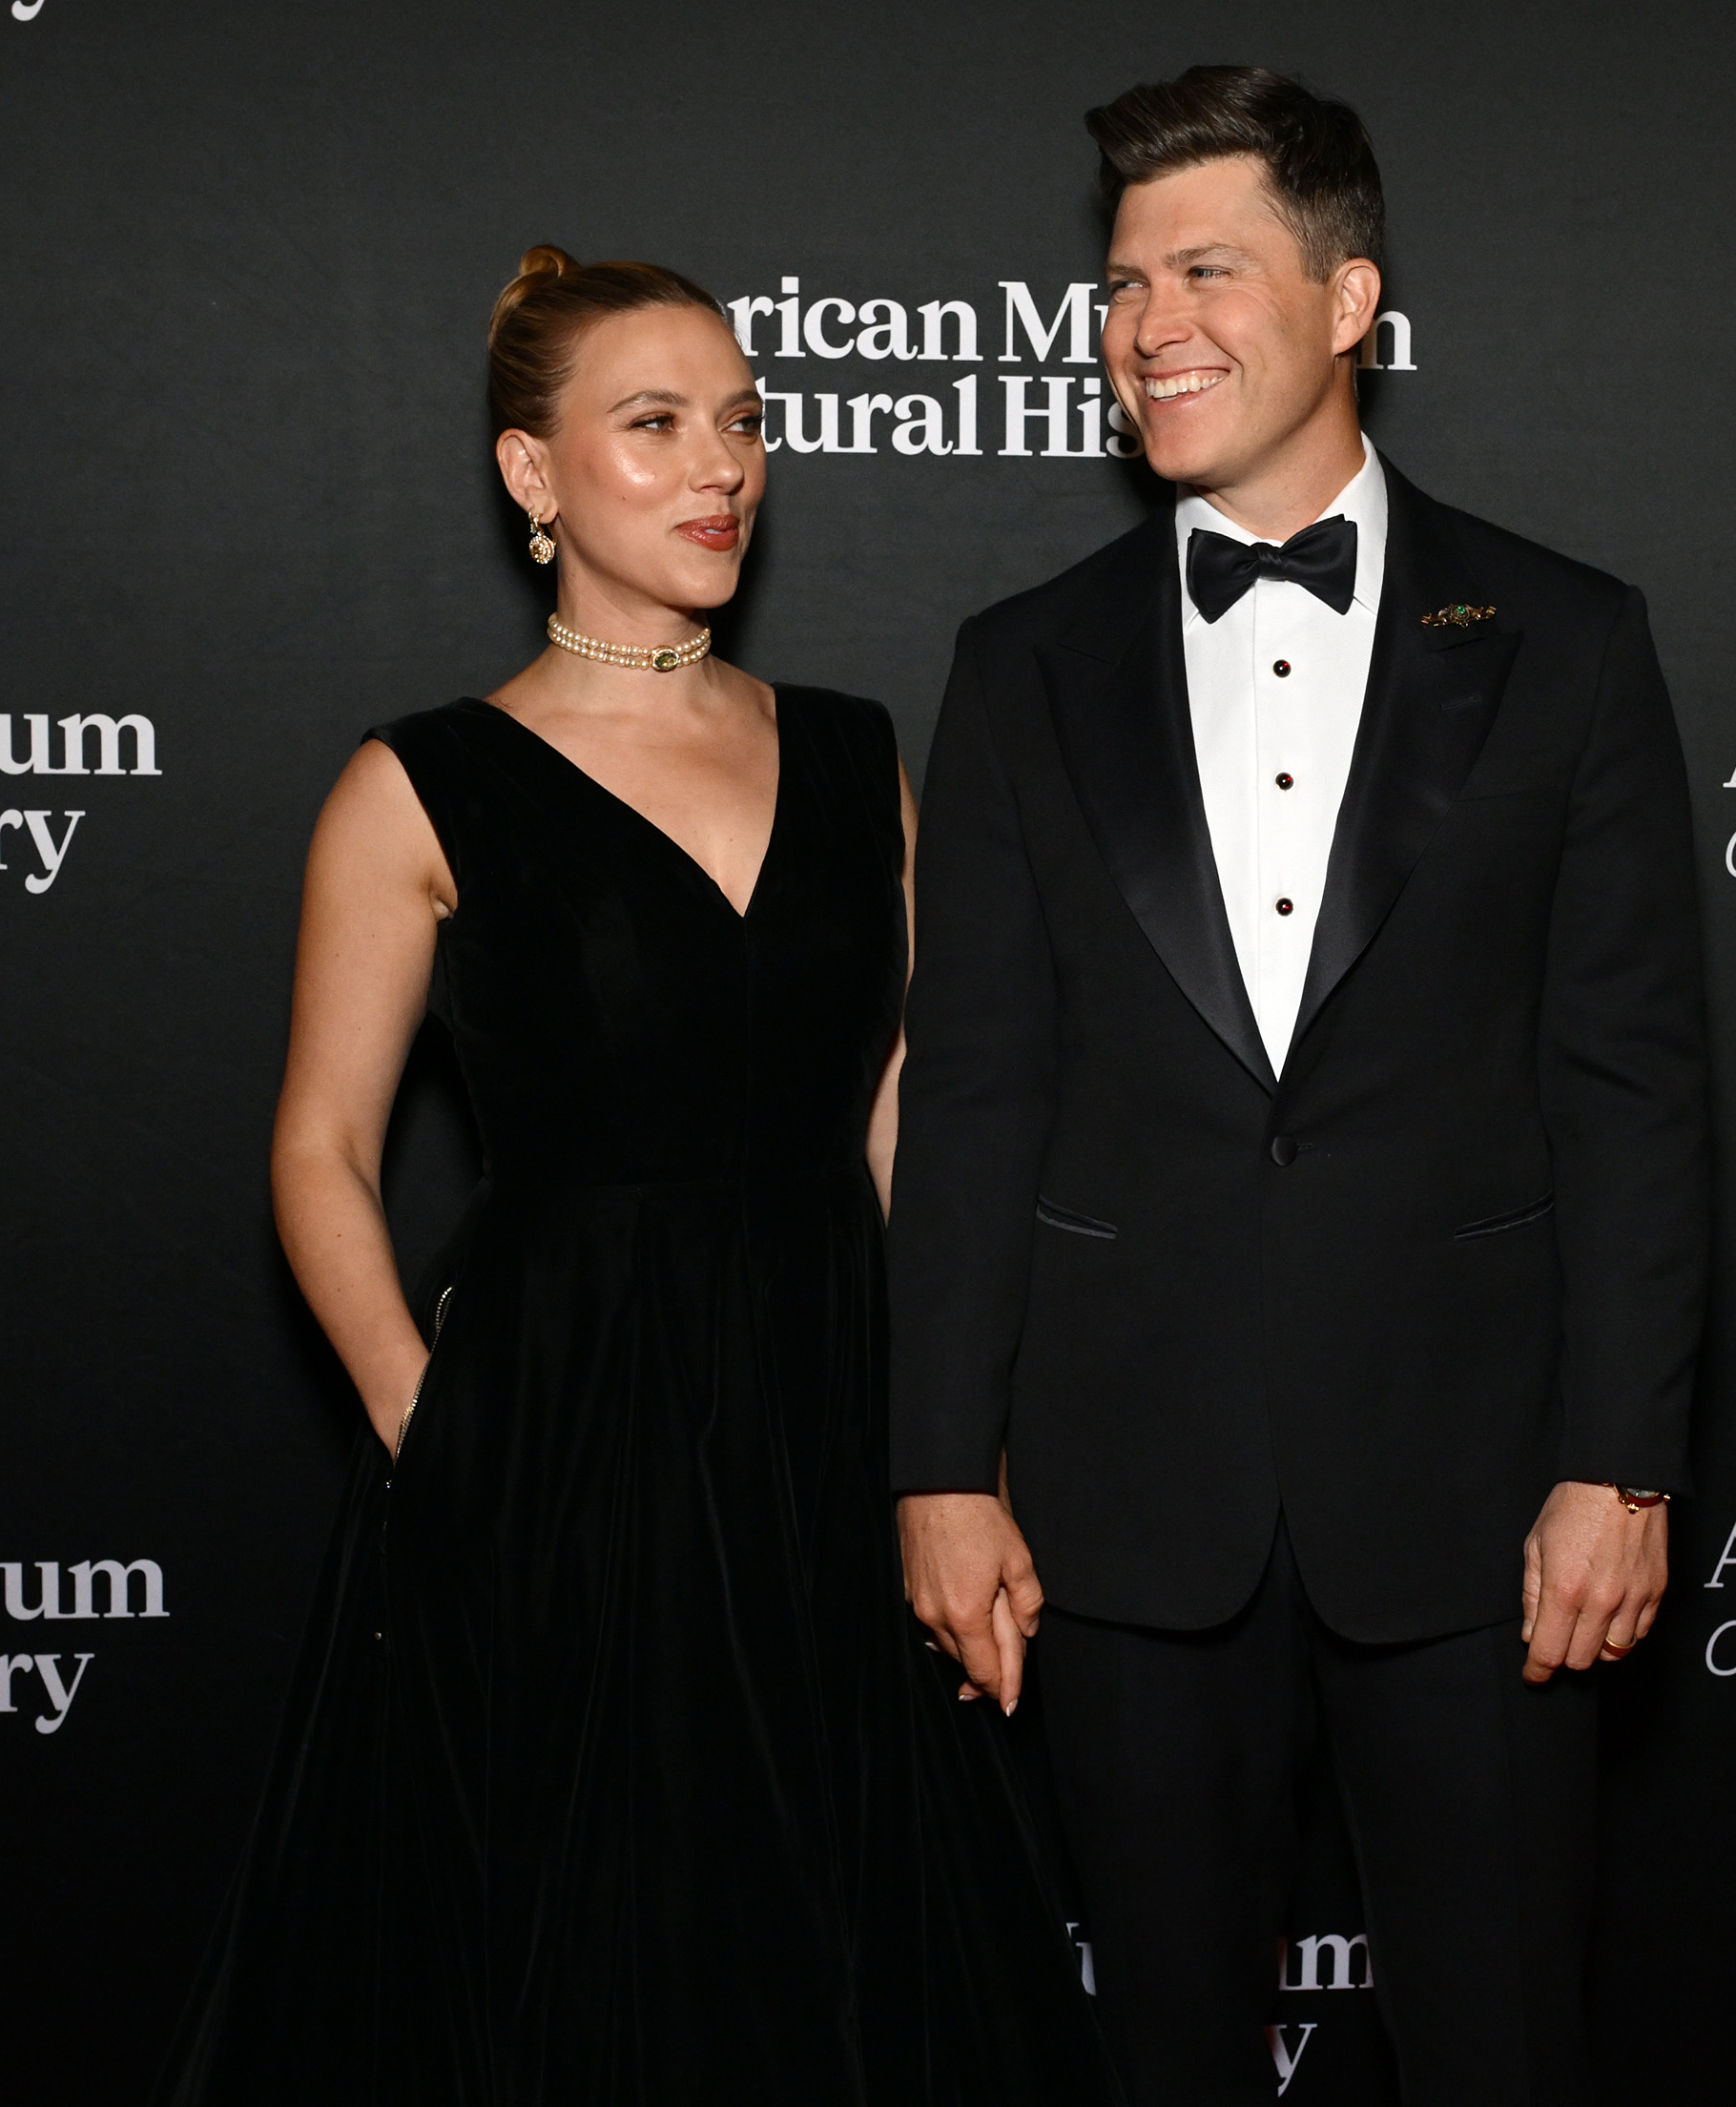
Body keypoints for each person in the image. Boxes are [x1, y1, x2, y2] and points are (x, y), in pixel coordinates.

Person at [159, 249, 1116, 2105]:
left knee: (853, 1940)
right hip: (561, 1437)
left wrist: (957, 1455)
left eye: (741, 422)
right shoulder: (419, 784)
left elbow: (908, 1121)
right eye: (656, 424)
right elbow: (319, 1146)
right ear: (532, 471)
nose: (720, 466)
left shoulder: (854, 754)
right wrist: (434, 1427)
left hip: (829, 1420)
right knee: (588, 1951)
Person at [887, 69, 1712, 2107]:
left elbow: (1630, 1087)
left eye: (1205, 269)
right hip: (1124, 1503)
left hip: (1481, 1501)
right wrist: (940, 1466)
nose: (1146, 321)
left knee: (1504, 2047)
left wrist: (1622, 1463)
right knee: (1165, 2058)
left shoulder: (1568, 639)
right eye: (1120, 281)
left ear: (1350, 301)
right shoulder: (1018, 664)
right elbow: (975, 1091)